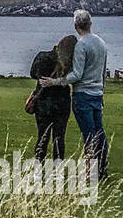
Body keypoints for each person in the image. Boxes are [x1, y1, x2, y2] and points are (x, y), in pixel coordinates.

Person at [39, 9, 109, 179]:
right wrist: (102, 92)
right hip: (97, 93)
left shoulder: (81, 45)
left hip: (83, 95)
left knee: (89, 134)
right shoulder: (101, 43)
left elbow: (77, 75)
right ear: (90, 24)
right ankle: (102, 168)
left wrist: (54, 81)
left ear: (76, 26)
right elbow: (102, 72)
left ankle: (91, 172)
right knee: (100, 132)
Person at [28, 34, 76, 160]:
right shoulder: (69, 64)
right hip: (62, 102)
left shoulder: (42, 57)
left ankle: (39, 165)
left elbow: (32, 73)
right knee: (59, 137)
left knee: (42, 136)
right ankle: (57, 169)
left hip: (43, 101)